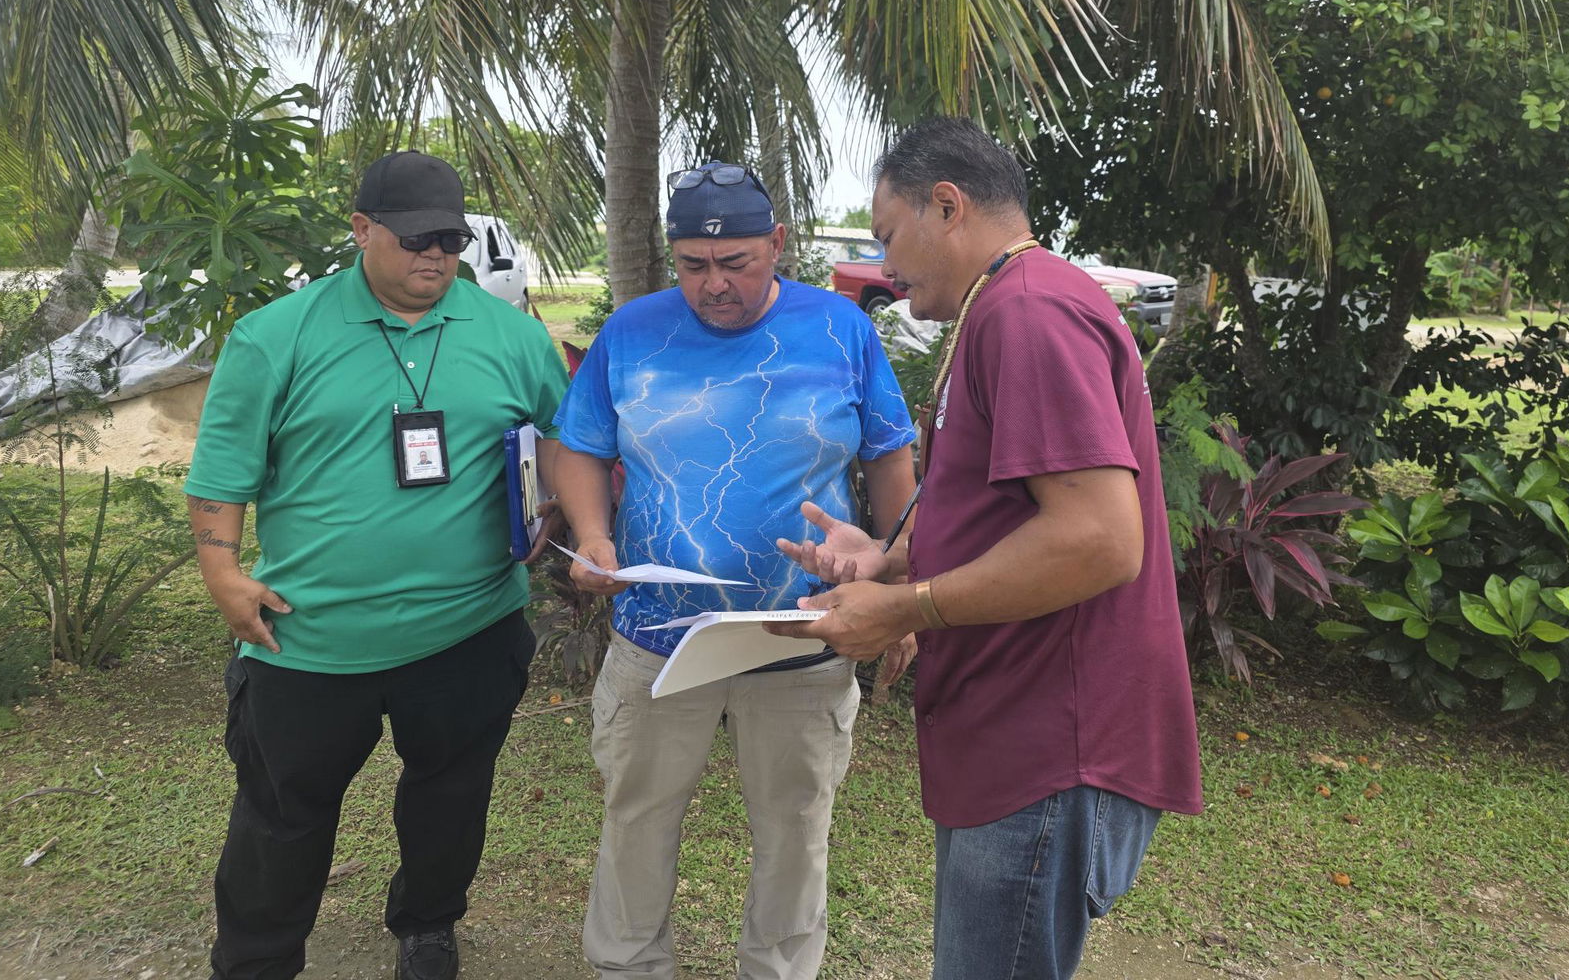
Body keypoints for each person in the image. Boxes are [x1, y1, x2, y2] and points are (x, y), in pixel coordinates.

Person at [769, 118, 1203, 980]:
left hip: (1049, 740)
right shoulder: (1002, 306)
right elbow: (1003, 507)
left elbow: (1098, 539)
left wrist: (906, 607)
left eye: (889, 234)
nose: (884, 265)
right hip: (1015, 728)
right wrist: (889, 558)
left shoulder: (1030, 312)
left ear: (948, 205)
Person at [184, 151, 569, 980]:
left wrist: (558, 506)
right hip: (309, 637)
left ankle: (428, 923)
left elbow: (565, 438)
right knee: (281, 819)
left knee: (451, 795)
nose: (436, 255)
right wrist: (222, 571)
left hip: (468, 631)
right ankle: (256, 958)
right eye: (416, 238)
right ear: (361, 230)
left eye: (453, 240)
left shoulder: (512, 336)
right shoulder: (275, 337)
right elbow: (221, 474)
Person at [554, 160, 918, 980]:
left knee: (796, 828)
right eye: (693, 265)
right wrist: (592, 533)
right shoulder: (633, 330)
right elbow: (581, 445)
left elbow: (892, 458)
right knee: (636, 817)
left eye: (736, 263)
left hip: (803, 632)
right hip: (656, 635)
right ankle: (628, 968)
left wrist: (890, 582)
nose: (713, 284)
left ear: (777, 245)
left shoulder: (839, 328)